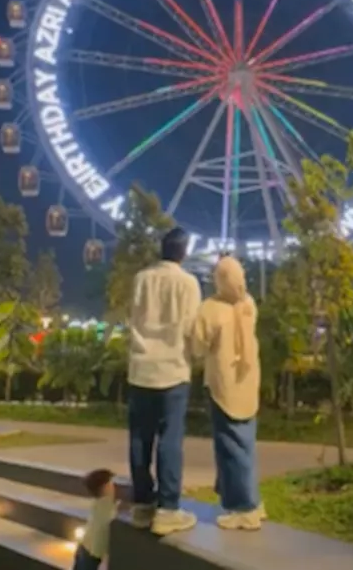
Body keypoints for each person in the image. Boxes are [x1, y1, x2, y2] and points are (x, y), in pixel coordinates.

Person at [125, 226, 201, 535]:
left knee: (140, 439)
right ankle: (169, 508)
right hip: (173, 369)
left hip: (141, 368)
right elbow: (192, 328)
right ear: (184, 252)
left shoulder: (142, 278)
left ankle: (143, 504)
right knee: (171, 438)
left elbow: (133, 317)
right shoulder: (188, 283)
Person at [191, 255, 267, 530]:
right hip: (248, 382)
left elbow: (197, 346)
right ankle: (251, 500)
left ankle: (243, 507)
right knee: (245, 443)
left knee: (230, 445)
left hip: (224, 384)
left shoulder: (210, 309)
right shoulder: (250, 304)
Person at [73, 469, 118, 570]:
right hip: (92, 553)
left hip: (85, 546)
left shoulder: (98, 502)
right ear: (105, 487)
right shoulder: (106, 507)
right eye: (111, 483)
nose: (114, 487)